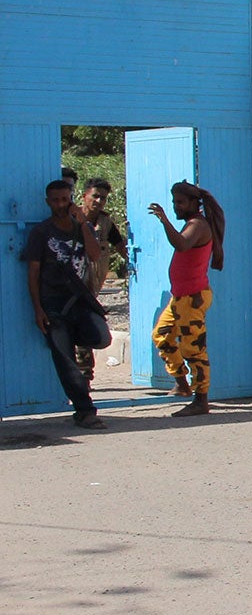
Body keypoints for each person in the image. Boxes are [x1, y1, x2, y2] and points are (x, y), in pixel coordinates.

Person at [19, 179, 110, 428]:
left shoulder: (82, 227)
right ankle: (85, 410)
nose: (60, 204)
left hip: (79, 301)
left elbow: (94, 255)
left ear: (71, 199)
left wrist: (82, 224)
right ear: (48, 202)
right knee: (66, 361)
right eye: (55, 200)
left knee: (101, 337)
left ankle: (74, 342)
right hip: (53, 305)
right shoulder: (41, 233)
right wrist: (38, 308)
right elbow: (33, 273)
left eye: (64, 199)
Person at [146, 181, 225, 418]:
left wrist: (164, 220)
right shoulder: (193, 223)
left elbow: (181, 245)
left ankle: (201, 399)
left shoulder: (198, 225)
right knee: (162, 336)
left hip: (192, 299)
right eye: (174, 203)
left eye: (180, 203)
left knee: (194, 349)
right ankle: (182, 385)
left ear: (193, 203)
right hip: (181, 298)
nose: (175, 207)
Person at [73, 178, 124, 385]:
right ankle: (82, 375)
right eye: (95, 196)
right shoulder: (72, 219)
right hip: (72, 285)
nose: (99, 201)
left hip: (92, 286)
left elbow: (121, 246)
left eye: (103, 198)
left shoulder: (105, 223)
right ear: (84, 196)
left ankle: (85, 375)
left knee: (86, 328)